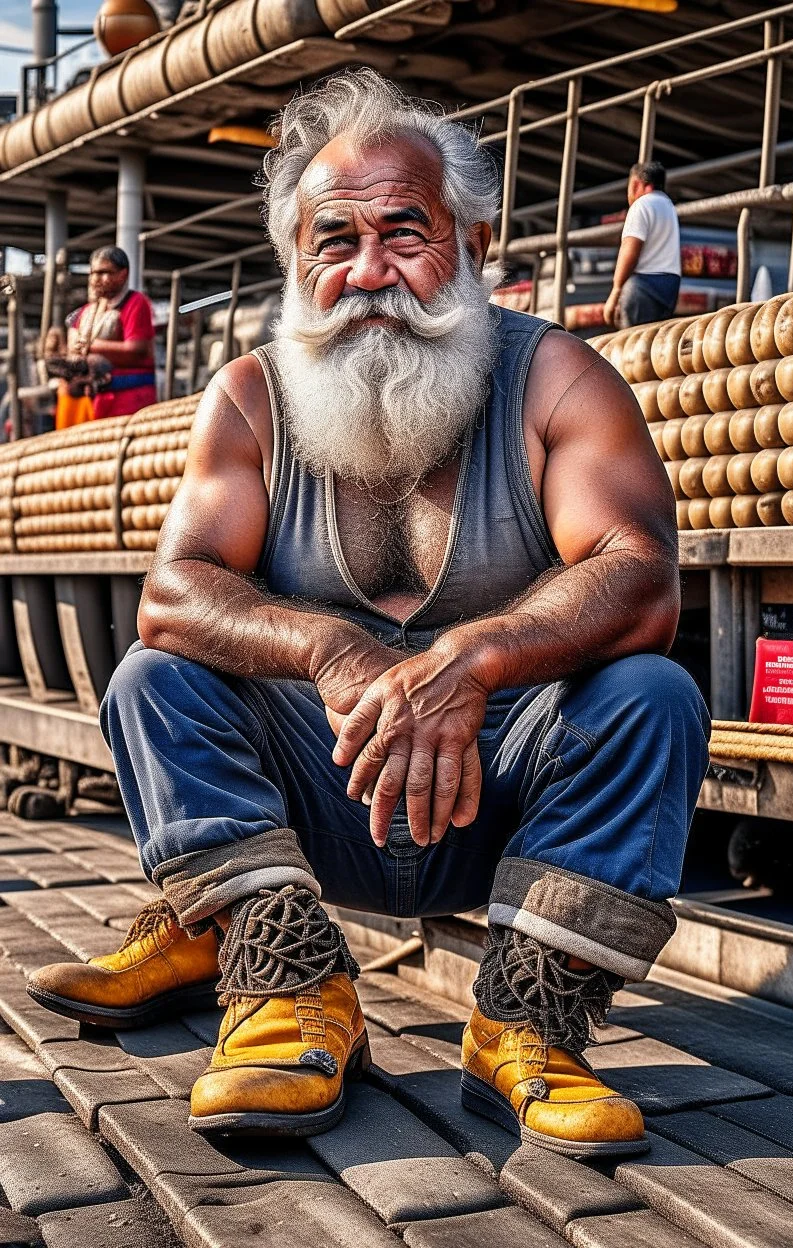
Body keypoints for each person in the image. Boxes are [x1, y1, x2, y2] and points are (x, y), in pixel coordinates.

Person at [28, 71, 709, 1158]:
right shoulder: (251, 396)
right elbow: (174, 589)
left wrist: (473, 658)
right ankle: (291, 981)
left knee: (650, 693)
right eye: (331, 241)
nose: (368, 272)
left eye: (406, 231)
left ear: (472, 242)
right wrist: (334, 649)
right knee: (156, 675)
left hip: (504, 791)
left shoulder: (556, 381)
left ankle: (526, 1019)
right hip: (325, 792)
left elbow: (637, 573)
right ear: (296, 264)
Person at [65, 246, 157, 420]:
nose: (96, 279)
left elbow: (137, 350)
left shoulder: (136, 303)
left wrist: (92, 347)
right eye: (93, 273)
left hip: (128, 403)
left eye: (104, 272)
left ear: (122, 274)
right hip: (94, 404)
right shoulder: (87, 311)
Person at [603, 161, 681, 329]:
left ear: (636, 184)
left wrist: (616, 291)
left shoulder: (641, 205)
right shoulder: (668, 206)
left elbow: (630, 250)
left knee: (633, 347)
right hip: (670, 284)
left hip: (643, 287)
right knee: (655, 345)